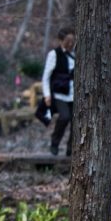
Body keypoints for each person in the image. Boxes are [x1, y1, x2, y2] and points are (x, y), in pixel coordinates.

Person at [42, 27, 75, 156]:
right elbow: (46, 77)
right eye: (68, 41)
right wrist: (47, 95)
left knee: (77, 121)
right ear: (61, 41)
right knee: (65, 117)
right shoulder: (54, 54)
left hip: (74, 93)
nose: (71, 44)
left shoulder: (75, 54)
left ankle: (71, 148)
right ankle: (55, 142)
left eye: (72, 41)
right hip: (60, 93)